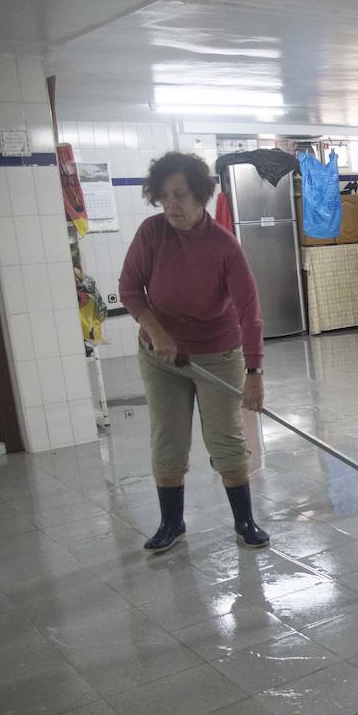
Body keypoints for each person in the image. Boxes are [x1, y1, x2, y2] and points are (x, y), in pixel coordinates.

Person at [120, 151, 269, 553]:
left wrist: (253, 374)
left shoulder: (224, 246)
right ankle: (172, 523)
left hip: (217, 354)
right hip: (161, 356)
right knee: (168, 437)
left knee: (225, 438)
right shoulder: (151, 234)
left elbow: (249, 312)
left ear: (200, 195)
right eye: (165, 195)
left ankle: (245, 521)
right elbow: (130, 290)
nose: (171, 204)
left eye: (181, 195)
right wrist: (157, 332)